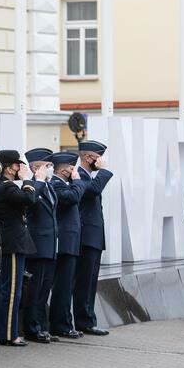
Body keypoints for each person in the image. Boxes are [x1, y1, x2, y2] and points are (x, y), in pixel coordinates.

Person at [0, 150, 41, 347]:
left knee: (13, 288)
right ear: (7, 168)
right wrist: (28, 181)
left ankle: (9, 332)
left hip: (16, 242)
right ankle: (8, 333)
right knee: (11, 290)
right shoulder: (6, 187)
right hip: (12, 243)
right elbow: (29, 199)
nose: (19, 168)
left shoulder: (8, 187)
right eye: (16, 165)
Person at [73, 140, 113, 336]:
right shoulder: (79, 175)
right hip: (86, 237)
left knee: (90, 282)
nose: (101, 162)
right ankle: (84, 321)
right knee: (84, 281)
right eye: (98, 158)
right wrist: (104, 171)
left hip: (93, 236)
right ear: (89, 158)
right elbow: (94, 190)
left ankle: (87, 319)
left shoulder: (88, 176)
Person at [48, 152, 88, 339]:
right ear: (65, 170)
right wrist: (78, 181)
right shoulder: (56, 185)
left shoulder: (64, 184)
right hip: (64, 243)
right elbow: (72, 198)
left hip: (70, 242)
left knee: (66, 285)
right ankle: (61, 325)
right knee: (62, 287)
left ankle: (65, 322)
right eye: (73, 169)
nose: (75, 172)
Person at [21, 148, 59, 344]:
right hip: (37, 246)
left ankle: (43, 326)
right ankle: (32, 328)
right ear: (35, 168)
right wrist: (38, 181)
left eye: (51, 165)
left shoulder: (49, 186)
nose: (51, 169)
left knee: (45, 289)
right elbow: (31, 201)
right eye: (47, 166)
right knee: (35, 290)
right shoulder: (32, 187)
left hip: (50, 245)